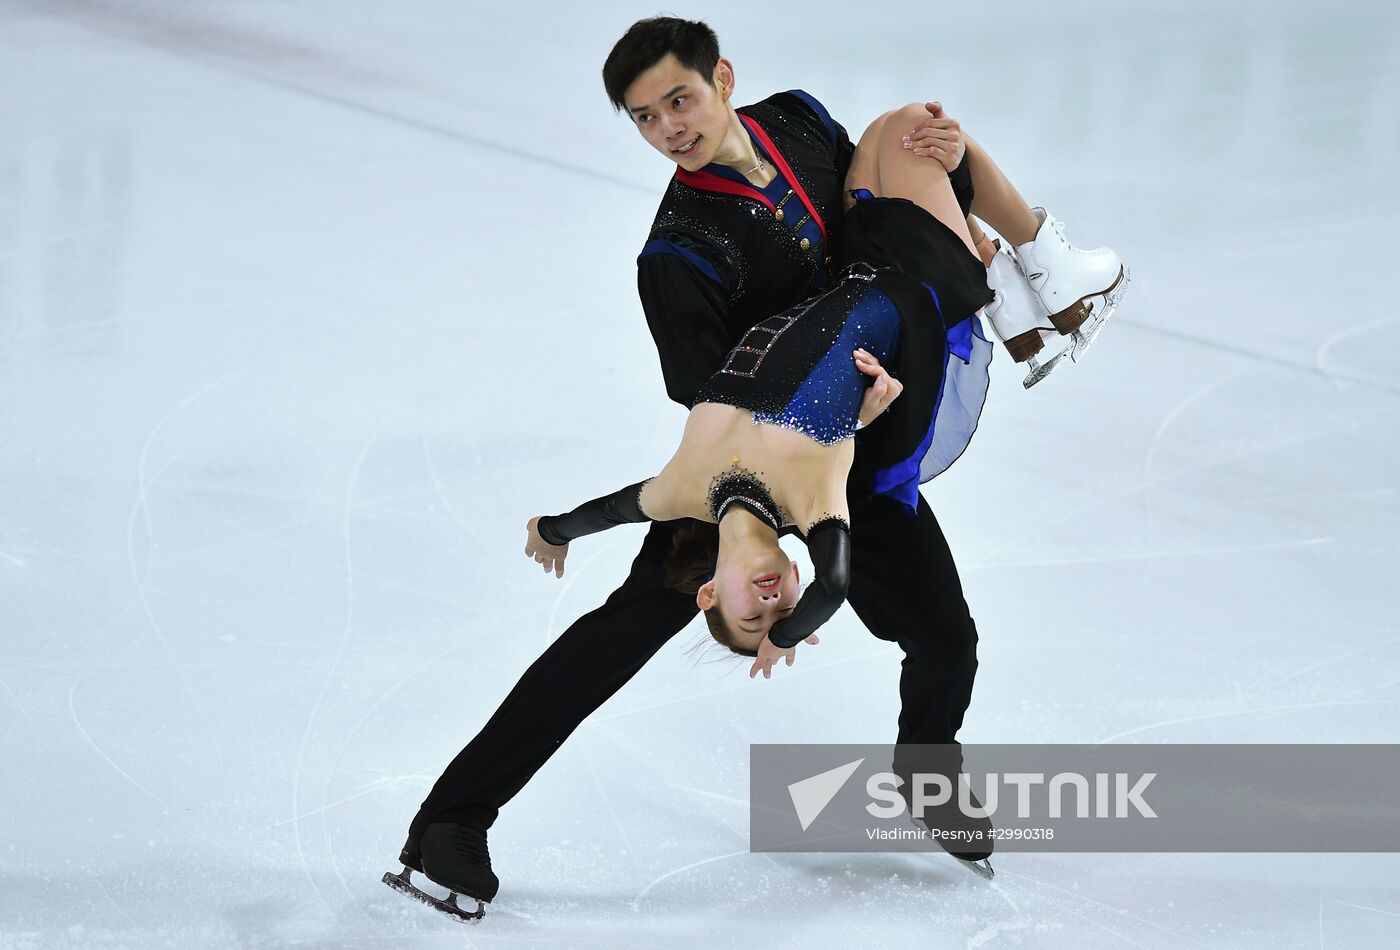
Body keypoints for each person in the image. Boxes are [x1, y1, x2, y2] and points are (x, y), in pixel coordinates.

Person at [387, 16, 1128, 918]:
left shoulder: (801, 123)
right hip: (766, 447)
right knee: (621, 633)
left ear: (723, 79)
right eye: (646, 118)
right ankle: (451, 820)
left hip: (868, 415)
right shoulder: (677, 253)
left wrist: (946, 175)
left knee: (947, 636)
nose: (669, 126)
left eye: (679, 99)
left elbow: (877, 204)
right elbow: (706, 392)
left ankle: (925, 776)